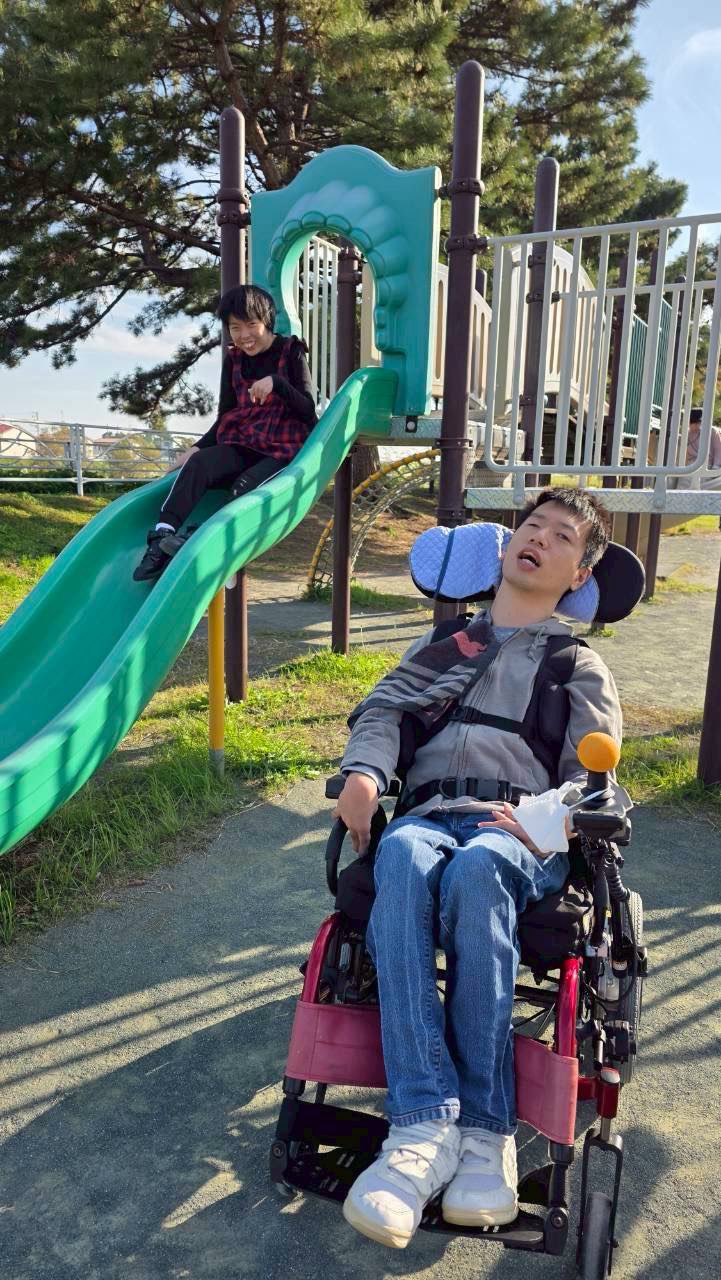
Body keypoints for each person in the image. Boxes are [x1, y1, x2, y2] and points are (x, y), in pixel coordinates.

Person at [334, 487, 623, 1250]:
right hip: (428, 815)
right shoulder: (444, 645)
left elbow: (595, 779)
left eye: (561, 537)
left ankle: (485, 1134)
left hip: (517, 832)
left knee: (478, 868)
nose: (540, 538)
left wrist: (544, 823)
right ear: (504, 545)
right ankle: (423, 1126)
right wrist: (364, 772)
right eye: (532, 525)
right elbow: (384, 713)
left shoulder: (576, 664)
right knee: (399, 853)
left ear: (577, 574)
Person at [133, 284, 317, 581]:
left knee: (245, 487)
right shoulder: (234, 359)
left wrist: (277, 383)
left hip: (283, 449)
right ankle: (161, 540)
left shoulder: (290, 351)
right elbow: (225, 416)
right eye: (235, 327)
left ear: (267, 321)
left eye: (251, 325)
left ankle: (199, 538)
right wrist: (196, 448)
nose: (244, 335)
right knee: (199, 463)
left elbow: (308, 411)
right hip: (244, 442)